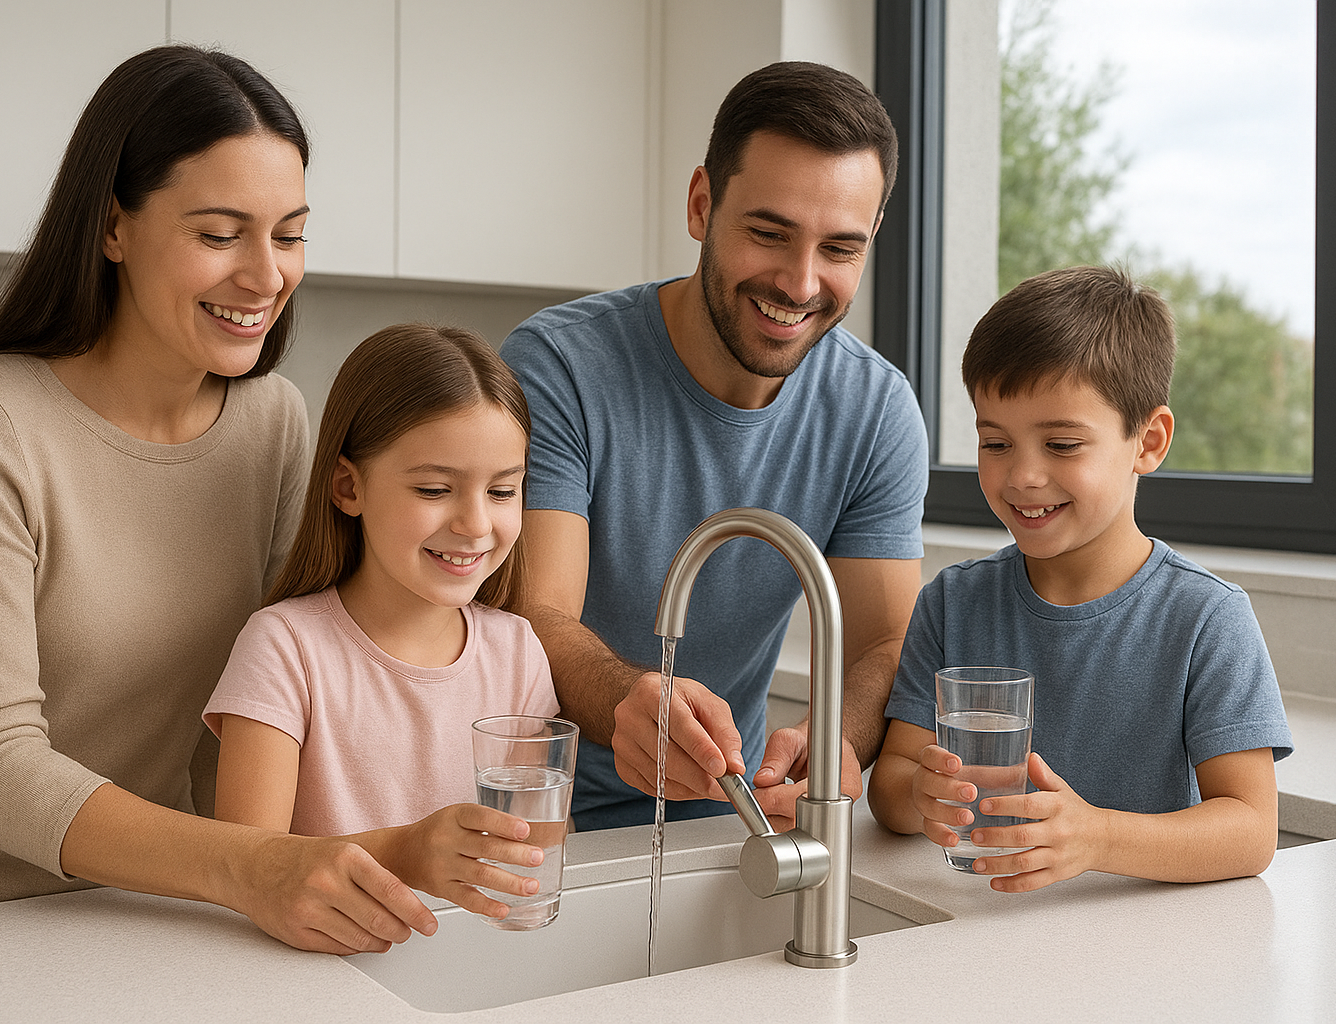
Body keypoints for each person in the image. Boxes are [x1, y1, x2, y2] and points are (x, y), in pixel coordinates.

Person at [0, 45, 440, 955]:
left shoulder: (274, 424)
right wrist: (247, 868)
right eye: (219, 235)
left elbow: (262, 703)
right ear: (111, 227)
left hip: (140, 914)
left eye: (289, 234)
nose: (266, 276)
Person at [500, 62, 929, 831]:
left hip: (735, 821)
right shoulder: (559, 367)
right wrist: (628, 698)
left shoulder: (877, 410)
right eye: (768, 234)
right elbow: (535, 614)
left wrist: (841, 740)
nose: (800, 283)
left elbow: (884, 643)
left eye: (839, 248)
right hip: (541, 815)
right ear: (702, 205)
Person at [866, 265, 1294, 891]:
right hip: (981, 927)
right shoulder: (952, 603)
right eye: (996, 443)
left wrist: (1096, 838)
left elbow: (1251, 830)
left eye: (1062, 445)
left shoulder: (1206, 618)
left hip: (1138, 952)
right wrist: (921, 793)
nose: (1023, 477)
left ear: (1148, 441)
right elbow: (891, 785)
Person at [203, 323, 559, 921]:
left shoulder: (518, 651)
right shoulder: (285, 648)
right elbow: (248, 866)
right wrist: (406, 855)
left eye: (502, 492)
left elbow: (532, 858)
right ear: (348, 486)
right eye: (434, 488)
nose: (475, 524)